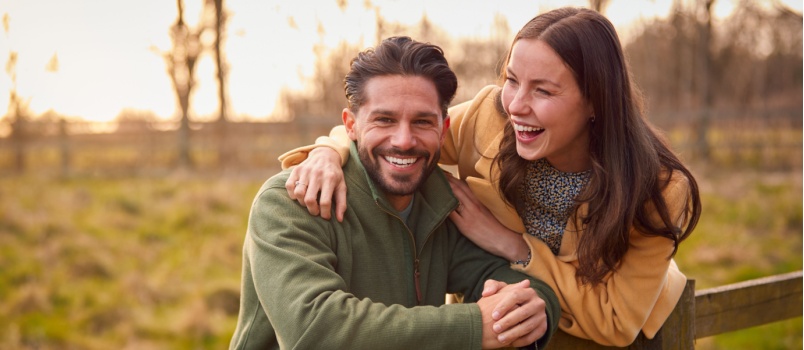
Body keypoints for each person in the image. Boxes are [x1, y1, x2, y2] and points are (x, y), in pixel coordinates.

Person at [278, 7, 702, 347]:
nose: (516, 104)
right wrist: (327, 152)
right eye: (512, 81)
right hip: (506, 331)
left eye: (543, 90)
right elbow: (398, 135)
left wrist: (510, 244)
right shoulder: (489, 119)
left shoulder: (660, 189)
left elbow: (614, 322)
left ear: (595, 100)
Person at [230, 36, 560, 350]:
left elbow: (522, 286)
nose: (403, 140)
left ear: (443, 130)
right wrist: (474, 326)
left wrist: (526, 309)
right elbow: (316, 331)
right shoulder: (288, 202)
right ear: (351, 126)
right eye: (385, 120)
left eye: (421, 122)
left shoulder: (439, 201)